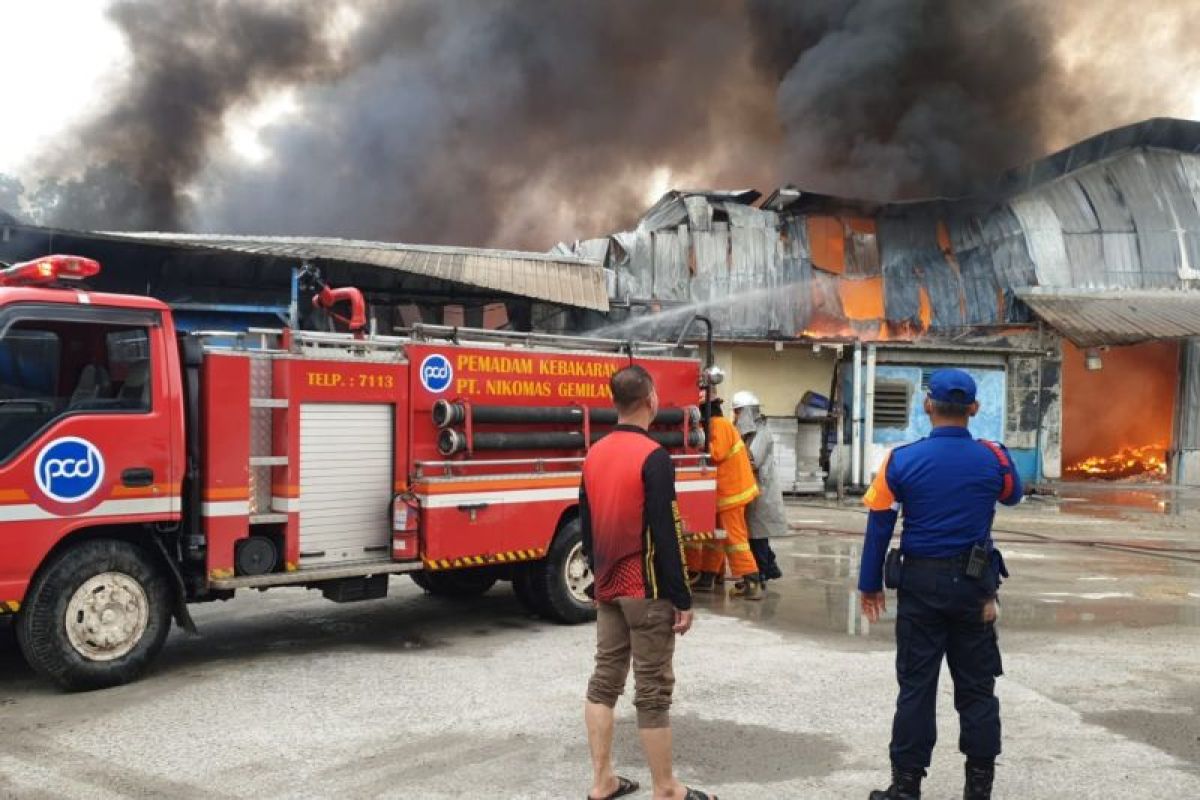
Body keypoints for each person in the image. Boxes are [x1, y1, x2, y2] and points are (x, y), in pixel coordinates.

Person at [858, 369, 1022, 800]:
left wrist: (869, 583)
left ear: (927, 405)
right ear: (975, 408)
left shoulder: (901, 459)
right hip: (975, 588)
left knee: (916, 685)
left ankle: (907, 786)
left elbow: (879, 524)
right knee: (977, 688)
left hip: (920, 585)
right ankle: (979, 788)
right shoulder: (996, 458)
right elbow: (1013, 495)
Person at [581, 365, 716, 800]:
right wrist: (682, 595)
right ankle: (666, 788)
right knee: (653, 689)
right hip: (647, 589)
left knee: (604, 681)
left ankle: (602, 780)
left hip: (607, 587)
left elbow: (586, 526)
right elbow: (667, 529)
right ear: (650, 401)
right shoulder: (654, 457)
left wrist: (598, 577)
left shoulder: (594, 453)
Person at [689, 396, 763, 600]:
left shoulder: (718, 425)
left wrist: (694, 441)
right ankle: (707, 576)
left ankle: (751, 579)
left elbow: (716, 452)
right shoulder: (720, 424)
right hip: (727, 493)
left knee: (735, 538)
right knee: (717, 538)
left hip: (732, 493)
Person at [731, 390, 785, 583]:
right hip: (750, 490)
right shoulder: (746, 434)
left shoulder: (761, 433)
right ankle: (770, 566)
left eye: (738, 412)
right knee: (753, 533)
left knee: (757, 535)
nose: (735, 416)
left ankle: (762, 571)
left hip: (761, 491)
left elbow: (752, 460)